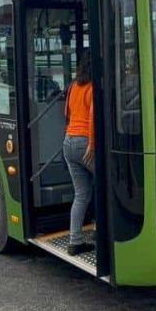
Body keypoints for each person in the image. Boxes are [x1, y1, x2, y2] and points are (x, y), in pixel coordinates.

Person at [62, 51, 95, 257]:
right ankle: (102, 232)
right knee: (107, 187)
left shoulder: (74, 86)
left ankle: (75, 241)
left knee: (81, 194)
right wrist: (92, 143)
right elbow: (93, 117)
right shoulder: (93, 87)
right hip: (85, 143)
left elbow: (66, 113)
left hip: (68, 142)